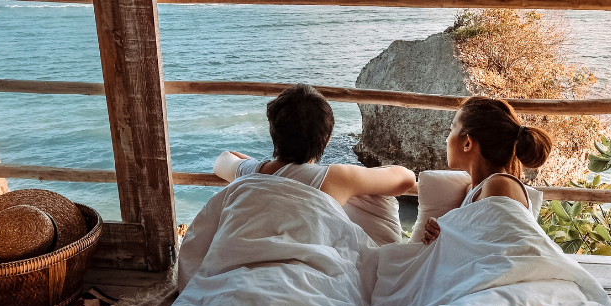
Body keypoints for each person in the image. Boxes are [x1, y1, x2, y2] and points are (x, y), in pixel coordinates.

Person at [213, 83, 415, 205]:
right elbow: (406, 178)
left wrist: (262, 168)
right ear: (326, 140)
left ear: (273, 132)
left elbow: (223, 159)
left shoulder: (249, 172)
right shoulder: (337, 177)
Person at [422, 96, 551, 244]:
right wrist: (442, 230)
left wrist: (449, 228)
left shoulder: (500, 184)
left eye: (451, 130)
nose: (447, 139)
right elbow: (473, 240)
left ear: (467, 143)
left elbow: (506, 251)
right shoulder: (473, 190)